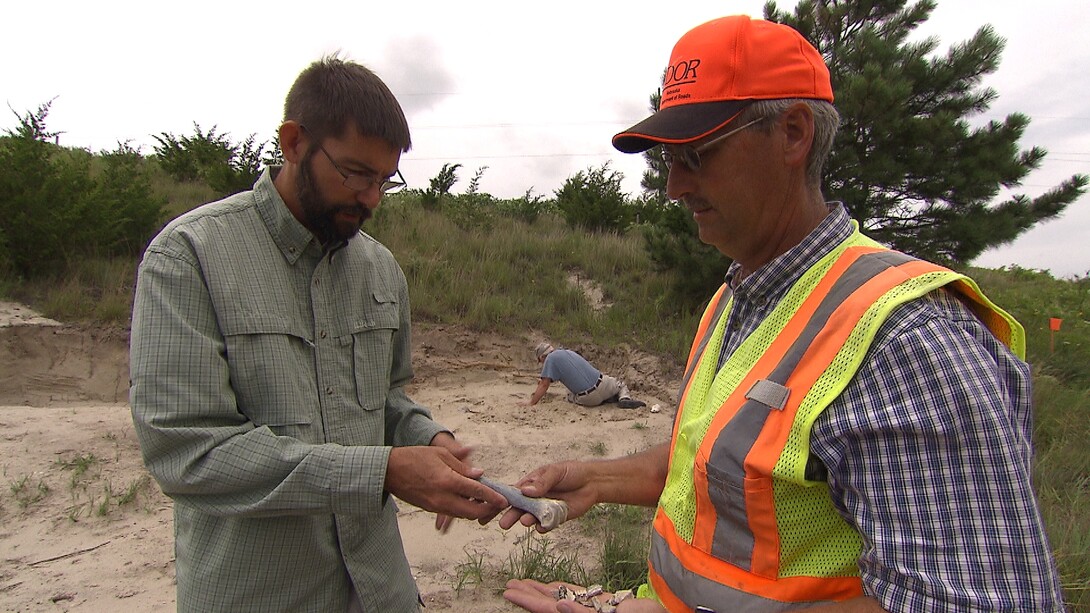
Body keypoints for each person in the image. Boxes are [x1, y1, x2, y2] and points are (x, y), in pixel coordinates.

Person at [500, 15, 1064, 613]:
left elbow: (980, 603)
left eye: (694, 153)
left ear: (793, 133)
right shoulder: (734, 300)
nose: (673, 185)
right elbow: (718, 467)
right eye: (668, 158)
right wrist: (596, 480)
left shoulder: (909, 340)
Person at [128, 56, 507, 613]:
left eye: (384, 180)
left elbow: (387, 399)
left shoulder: (382, 271)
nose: (370, 198)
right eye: (354, 173)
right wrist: (382, 471)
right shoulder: (188, 258)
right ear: (293, 142)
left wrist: (428, 438)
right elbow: (188, 452)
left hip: (381, 591)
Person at [523, 341, 646, 409]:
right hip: (602, 383)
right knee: (620, 384)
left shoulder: (550, 359)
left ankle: (603, 400)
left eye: (540, 361)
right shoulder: (567, 352)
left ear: (542, 356)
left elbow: (544, 385)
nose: (542, 364)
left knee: (568, 395)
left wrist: (531, 402)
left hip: (588, 399)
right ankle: (623, 398)